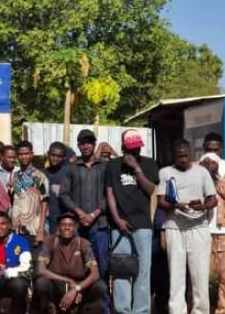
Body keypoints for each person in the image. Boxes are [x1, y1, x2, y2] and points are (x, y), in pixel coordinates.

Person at [157, 139, 217, 314]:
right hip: (174, 228)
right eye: (179, 156)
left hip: (198, 228)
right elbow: (161, 201)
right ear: (174, 156)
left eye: (185, 156)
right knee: (176, 277)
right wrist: (176, 205)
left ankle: (200, 311)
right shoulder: (165, 172)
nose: (183, 159)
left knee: (200, 277)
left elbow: (213, 199)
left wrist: (204, 206)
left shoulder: (202, 172)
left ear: (190, 154)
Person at [104, 130, 158, 314]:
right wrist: (117, 219)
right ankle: (122, 310)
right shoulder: (113, 165)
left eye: (137, 148)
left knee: (144, 269)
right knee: (121, 269)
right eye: (130, 147)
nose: (134, 151)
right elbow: (109, 193)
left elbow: (151, 190)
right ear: (123, 145)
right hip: (120, 224)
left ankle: (141, 310)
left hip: (142, 223)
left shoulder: (149, 164)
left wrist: (137, 168)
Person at [60, 129, 110, 295]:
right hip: (78, 227)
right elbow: (64, 195)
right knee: (78, 265)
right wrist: (80, 214)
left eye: (90, 142)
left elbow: (109, 194)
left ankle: (102, 305)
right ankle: (78, 301)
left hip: (100, 225)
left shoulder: (104, 167)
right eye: (83, 143)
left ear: (94, 144)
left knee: (102, 264)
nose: (86, 146)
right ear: (78, 145)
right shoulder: (72, 168)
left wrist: (94, 214)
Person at [34, 213, 107, 314]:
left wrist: (77, 289)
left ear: (76, 228)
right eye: (63, 225)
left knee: (101, 286)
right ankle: (51, 307)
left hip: (79, 285)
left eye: (70, 225)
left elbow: (95, 274)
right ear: (58, 227)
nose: (67, 228)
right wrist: (68, 280)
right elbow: (41, 270)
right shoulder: (50, 242)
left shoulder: (83, 243)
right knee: (41, 283)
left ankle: (83, 308)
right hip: (56, 285)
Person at [199, 151, 225, 314]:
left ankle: (222, 311)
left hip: (224, 229)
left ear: (221, 150)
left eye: (215, 149)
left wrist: (215, 176)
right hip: (201, 228)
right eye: (208, 148)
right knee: (199, 275)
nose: (211, 153)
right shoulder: (196, 168)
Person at [8, 141, 49, 247]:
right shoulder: (14, 175)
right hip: (16, 228)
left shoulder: (39, 176)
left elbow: (44, 204)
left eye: (26, 154)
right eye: (20, 154)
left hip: (33, 229)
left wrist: (40, 230)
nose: (23, 157)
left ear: (32, 154)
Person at [44, 142, 69, 233]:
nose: (55, 158)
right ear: (48, 154)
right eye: (53, 155)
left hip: (65, 221)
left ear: (64, 157)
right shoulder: (42, 173)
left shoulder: (70, 172)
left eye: (59, 156)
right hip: (46, 221)